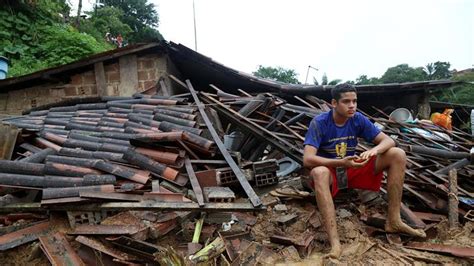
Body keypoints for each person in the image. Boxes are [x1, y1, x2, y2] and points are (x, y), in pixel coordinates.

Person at [302, 83, 426, 259]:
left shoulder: (358, 119)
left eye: (354, 101)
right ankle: (335, 243)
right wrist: (339, 162)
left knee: (397, 154)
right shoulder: (320, 122)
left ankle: (394, 220)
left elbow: (388, 141)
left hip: (352, 167)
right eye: (346, 101)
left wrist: (373, 151)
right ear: (334, 103)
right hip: (331, 172)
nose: (352, 105)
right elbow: (307, 159)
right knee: (319, 172)